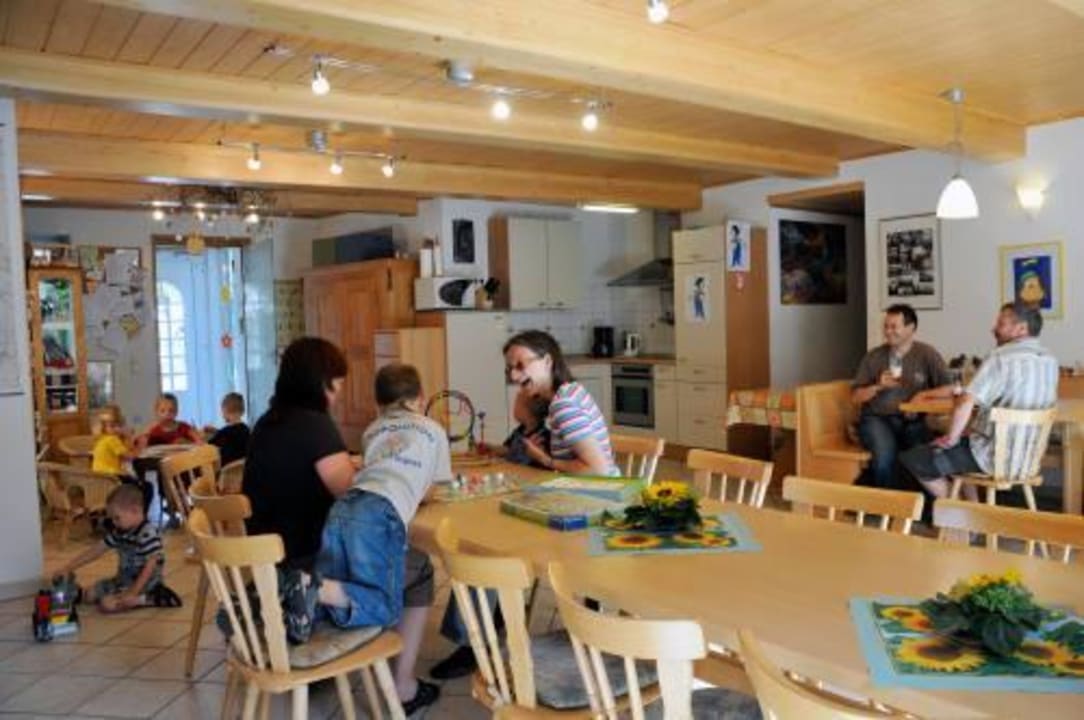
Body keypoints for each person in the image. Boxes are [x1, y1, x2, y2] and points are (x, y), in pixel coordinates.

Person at [285, 363, 448, 714]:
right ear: (420, 399)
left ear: (378, 405)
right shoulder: (433, 429)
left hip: (343, 508)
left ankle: (297, 603)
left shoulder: (373, 429)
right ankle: (310, 586)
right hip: (379, 515)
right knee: (385, 606)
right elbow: (431, 488)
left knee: (348, 582)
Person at [429, 388, 548, 680]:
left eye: (518, 401)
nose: (514, 403)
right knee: (472, 536)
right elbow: (511, 454)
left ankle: (472, 644)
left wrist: (533, 457)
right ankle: (488, 619)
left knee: (477, 550)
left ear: (530, 409)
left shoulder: (541, 437)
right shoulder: (522, 432)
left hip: (528, 518)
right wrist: (496, 450)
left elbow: (535, 468)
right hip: (509, 505)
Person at [900, 302, 1058, 500]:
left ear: (1021, 329)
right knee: (964, 441)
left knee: (916, 459)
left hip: (992, 458)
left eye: (1001, 324)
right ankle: (972, 509)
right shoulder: (1050, 360)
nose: (994, 329)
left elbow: (966, 401)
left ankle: (962, 513)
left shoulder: (1001, 358)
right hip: (1028, 459)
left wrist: (952, 438)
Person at [243, 337, 355, 570]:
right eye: (338, 383)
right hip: (305, 561)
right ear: (321, 382)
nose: (339, 392)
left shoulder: (267, 421)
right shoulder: (315, 425)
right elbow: (351, 494)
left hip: (266, 558)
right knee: (417, 565)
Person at [851, 304, 951, 489]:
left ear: (910, 328)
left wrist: (922, 396)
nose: (888, 331)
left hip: (914, 421)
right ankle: (888, 503)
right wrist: (878, 386)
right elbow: (856, 397)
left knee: (926, 455)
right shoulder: (874, 357)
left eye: (893, 326)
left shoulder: (926, 354)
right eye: (886, 326)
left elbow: (950, 388)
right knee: (884, 457)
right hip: (877, 419)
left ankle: (923, 501)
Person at [503, 329, 617, 476]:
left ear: (547, 362)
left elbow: (598, 470)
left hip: (597, 489)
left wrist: (546, 460)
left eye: (520, 365)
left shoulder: (564, 404)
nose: (513, 376)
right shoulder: (569, 391)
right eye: (509, 369)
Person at [54, 484, 181, 612]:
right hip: (122, 581)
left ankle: (150, 598)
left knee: (107, 604)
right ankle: (73, 594)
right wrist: (68, 567)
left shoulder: (147, 534)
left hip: (145, 584)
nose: (114, 523)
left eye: (117, 518)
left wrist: (133, 592)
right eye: (112, 519)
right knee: (90, 594)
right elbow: (97, 550)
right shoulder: (120, 532)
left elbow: (151, 566)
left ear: (135, 510)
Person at [91, 408, 153, 513]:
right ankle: (140, 516)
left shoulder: (103, 439)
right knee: (147, 487)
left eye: (119, 425)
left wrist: (128, 437)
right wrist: (141, 446)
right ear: (104, 428)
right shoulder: (112, 439)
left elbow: (127, 449)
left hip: (100, 476)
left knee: (138, 482)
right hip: (111, 477)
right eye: (112, 426)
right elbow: (129, 456)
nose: (116, 429)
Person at [134, 393, 203, 449]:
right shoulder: (153, 430)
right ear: (156, 412)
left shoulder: (183, 427)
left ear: (176, 412)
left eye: (171, 411)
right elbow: (140, 445)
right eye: (162, 411)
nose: (167, 414)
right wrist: (145, 435)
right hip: (160, 459)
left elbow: (198, 439)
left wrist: (192, 441)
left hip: (181, 457)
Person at [502, 390, 551, 467]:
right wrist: (490, 447)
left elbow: (544, 463)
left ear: (527, 412)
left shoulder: (543, 437)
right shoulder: (520, 430)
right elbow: (507, 449)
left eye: (516, 404)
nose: (513, 409)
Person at [205, 392, 251, 466]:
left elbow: (207, 445)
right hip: (242, 470)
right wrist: (216, 431)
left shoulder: (224, 433)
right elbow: (233, 435)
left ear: (225, 410)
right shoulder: (246, 429)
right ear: (242, 411)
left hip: (226, 471)